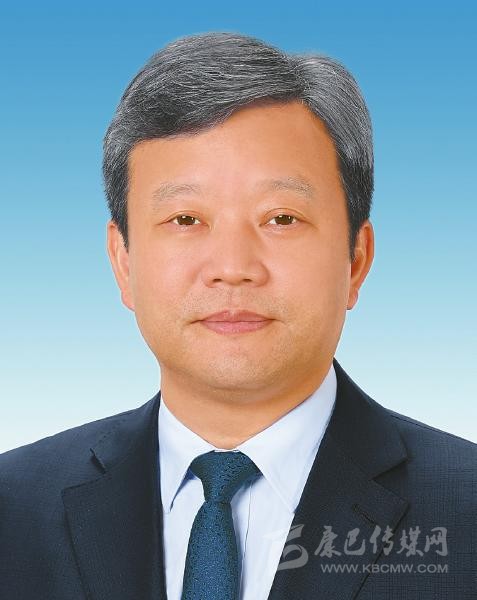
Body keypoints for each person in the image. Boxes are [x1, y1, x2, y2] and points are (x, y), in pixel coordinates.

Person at [0, 31, 475, 600]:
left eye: (281, 218)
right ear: (123, 261)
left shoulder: (465, 507)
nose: (232, 268)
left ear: (356, 259)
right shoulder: (13, 506)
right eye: (185, 220)